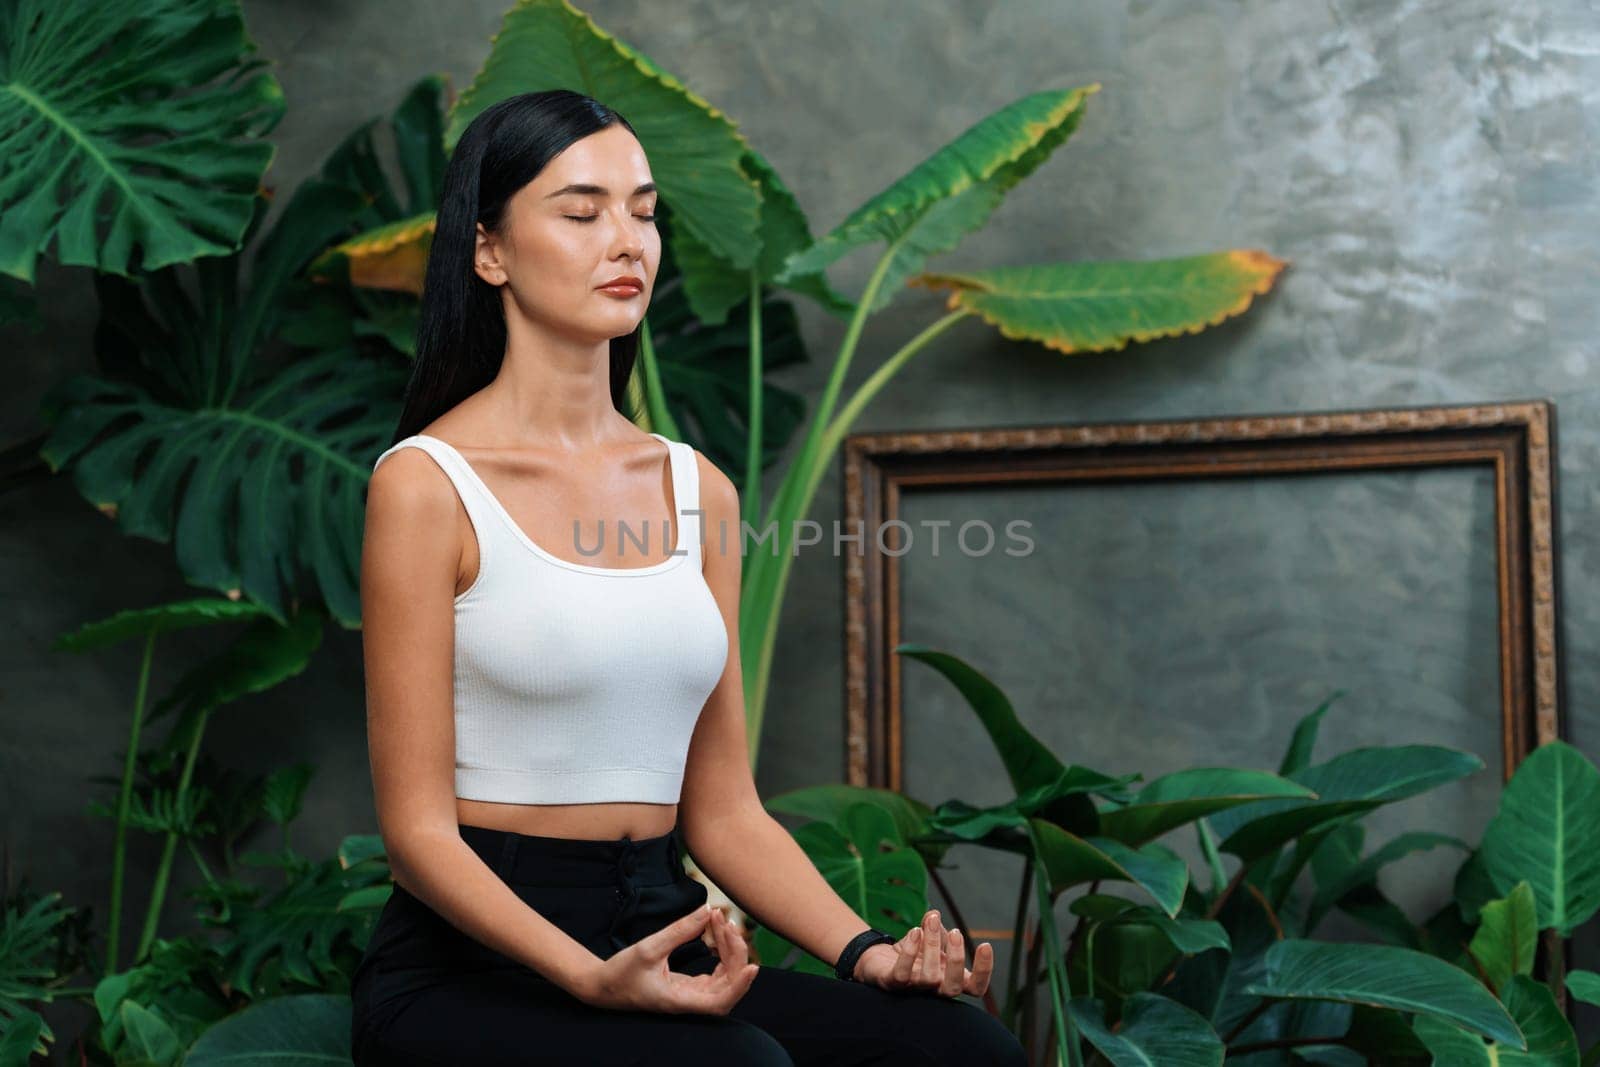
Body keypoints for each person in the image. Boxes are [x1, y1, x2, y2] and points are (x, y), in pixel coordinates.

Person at [352, 88, 1029, 1066]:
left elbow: (722, 810)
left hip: (664, 924)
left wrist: (868, 954)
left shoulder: (695, 489)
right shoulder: (427, 485)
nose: (626, 239)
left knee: (959, 1046)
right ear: (488, 250)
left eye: (643, 209)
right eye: (582, 212)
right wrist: (586, 975)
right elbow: (415, 832)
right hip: (473, 967)